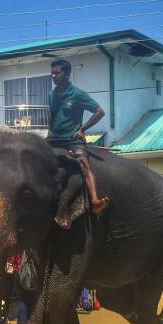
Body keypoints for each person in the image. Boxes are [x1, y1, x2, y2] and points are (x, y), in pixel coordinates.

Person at [47, 59, 109, 213]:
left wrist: (83, 129)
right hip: (54, 138)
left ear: (67, 74)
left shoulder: (78, 94)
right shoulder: (51, 95)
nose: (54, 76)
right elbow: (52, 117)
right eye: (52, 73)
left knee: (83, 164)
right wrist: (49, 133)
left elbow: (99, 112)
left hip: (72, 139)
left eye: (57, 72)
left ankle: (94, 201)